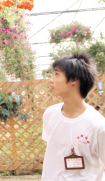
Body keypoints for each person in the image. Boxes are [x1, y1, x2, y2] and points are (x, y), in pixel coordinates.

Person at [42, 53, 105, 181]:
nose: (51, 79)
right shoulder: (50, 114)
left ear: (74, 79)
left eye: (57, 74)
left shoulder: (98, 125)